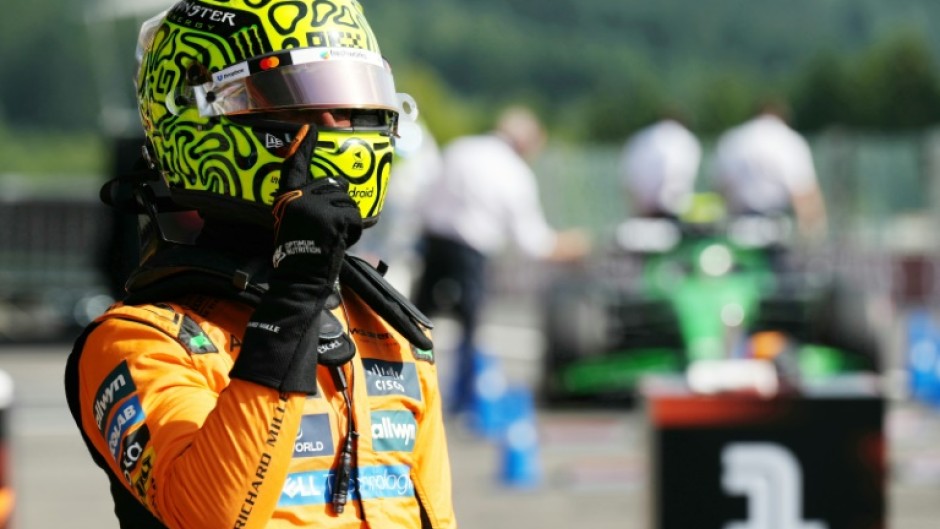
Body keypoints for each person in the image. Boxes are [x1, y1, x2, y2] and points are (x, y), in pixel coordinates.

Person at [63, 2, 457, 529]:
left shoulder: (388, 328)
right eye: (297, 103)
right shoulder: (139, 343)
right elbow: (210, 516)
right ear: (196, 116)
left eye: (355, 105)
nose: (339, 129)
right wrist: (294, 301)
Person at [412, 105, 589, 414]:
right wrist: (570, 246)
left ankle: (403, 385)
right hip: (471, 250)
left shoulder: (461, 148)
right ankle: (464, 401)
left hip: (433, 241)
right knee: (471, 327)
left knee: (413, 321)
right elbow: (533, 243)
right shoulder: (515, 173)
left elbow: (425, 195)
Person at [710, 100, 828, 241]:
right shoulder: (789, 140)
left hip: (737, 228)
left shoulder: (732, 139)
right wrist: (814, 233)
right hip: (776, 229)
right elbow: (803, 193)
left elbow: (720, 189)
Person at [618, 114, 702, 219]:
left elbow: (627, 180)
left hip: (644, 211)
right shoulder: (685, 140)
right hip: (672, 210)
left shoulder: (642, 138)